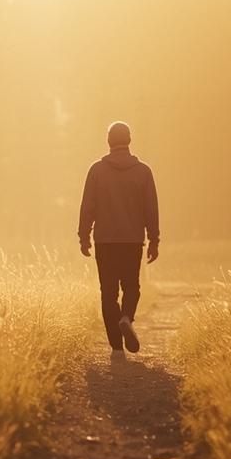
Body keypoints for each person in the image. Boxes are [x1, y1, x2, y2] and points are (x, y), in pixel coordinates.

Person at [77, 121, 160, 352]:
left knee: (108, 291)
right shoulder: (144, 172)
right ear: (130, 141)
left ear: (108, 141)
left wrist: (84, 236)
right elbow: (151, 209)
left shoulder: (96, 171)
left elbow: (88, 207)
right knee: (132, 286)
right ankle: (126, 317)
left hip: (105, 241)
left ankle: (116, 346)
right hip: (133, 240)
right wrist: (154, 240)